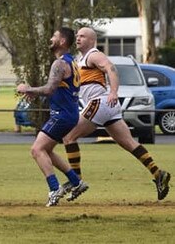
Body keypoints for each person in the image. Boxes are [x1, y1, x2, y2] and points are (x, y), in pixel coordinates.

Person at [61, 27, 170, 201]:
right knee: (129, 143)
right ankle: (158, 174)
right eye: (77, 36)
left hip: (100, 102)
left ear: (92, 40)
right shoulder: (81, 59)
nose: (78, 38)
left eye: (82, 36)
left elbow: (111, 69)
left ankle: (77, 181)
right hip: (107, 106)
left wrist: (113, 91)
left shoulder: (93, 55)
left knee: (68, 137)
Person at [16, 27, 88, 207]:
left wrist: (28, 89)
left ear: (62, 41)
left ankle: (54, 188)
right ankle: (76, 181)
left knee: (36, 150)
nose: (50, 39)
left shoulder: (59, 64)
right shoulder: (71, 62)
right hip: (68, 114)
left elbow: (50, 89)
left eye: (54, 36)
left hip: (62, 115)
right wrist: (35, 92)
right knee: (46, 150)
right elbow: (55, 88)